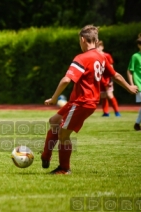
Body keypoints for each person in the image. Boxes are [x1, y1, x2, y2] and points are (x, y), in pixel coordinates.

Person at [40, 25, 138, 175]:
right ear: (96, 40)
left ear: (82, 40)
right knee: (54, 121)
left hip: (82, 102)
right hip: (81, 101)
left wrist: (54, 98)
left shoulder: (82, 58)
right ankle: (45, 156)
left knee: (63, 135)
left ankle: (64, 168)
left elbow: (67, 80)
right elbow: (116, 75)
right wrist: (129, 87)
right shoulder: (101, 56)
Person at [97, 40, 121, 117]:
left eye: (99, 46)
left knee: (110, 95)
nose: (97, 48)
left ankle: (117, 112)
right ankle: (106, 112)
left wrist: (111, 79)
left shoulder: (106, 55)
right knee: (103, 96)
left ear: (102, 47)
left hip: (107, 78)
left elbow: (111, 68)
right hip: (100, 79)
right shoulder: (95, 56)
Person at [127, 33, 141, 131]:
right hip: (139, 85)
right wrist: (131, 84)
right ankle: (137, 123)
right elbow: (129, 71)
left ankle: (137, 123)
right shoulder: (135, 56)